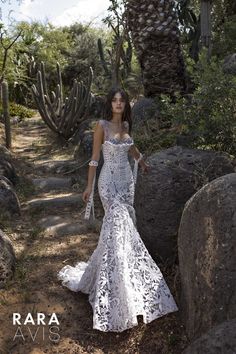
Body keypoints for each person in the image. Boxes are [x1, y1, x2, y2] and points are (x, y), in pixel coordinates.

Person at [57, 87, 178, 332]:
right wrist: (89, 187)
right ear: (109, 104)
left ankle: (124, 282)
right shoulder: (101, 125)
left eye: (122, 100)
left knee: (121, 232)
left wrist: (142, 161)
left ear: (125, 105)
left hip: (126, 183)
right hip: (108, 182)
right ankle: (115, 291)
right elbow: (94, 159)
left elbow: (131, 150)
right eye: (114, 100)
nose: (118, 104)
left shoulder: (126, 127)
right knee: (117, 222)